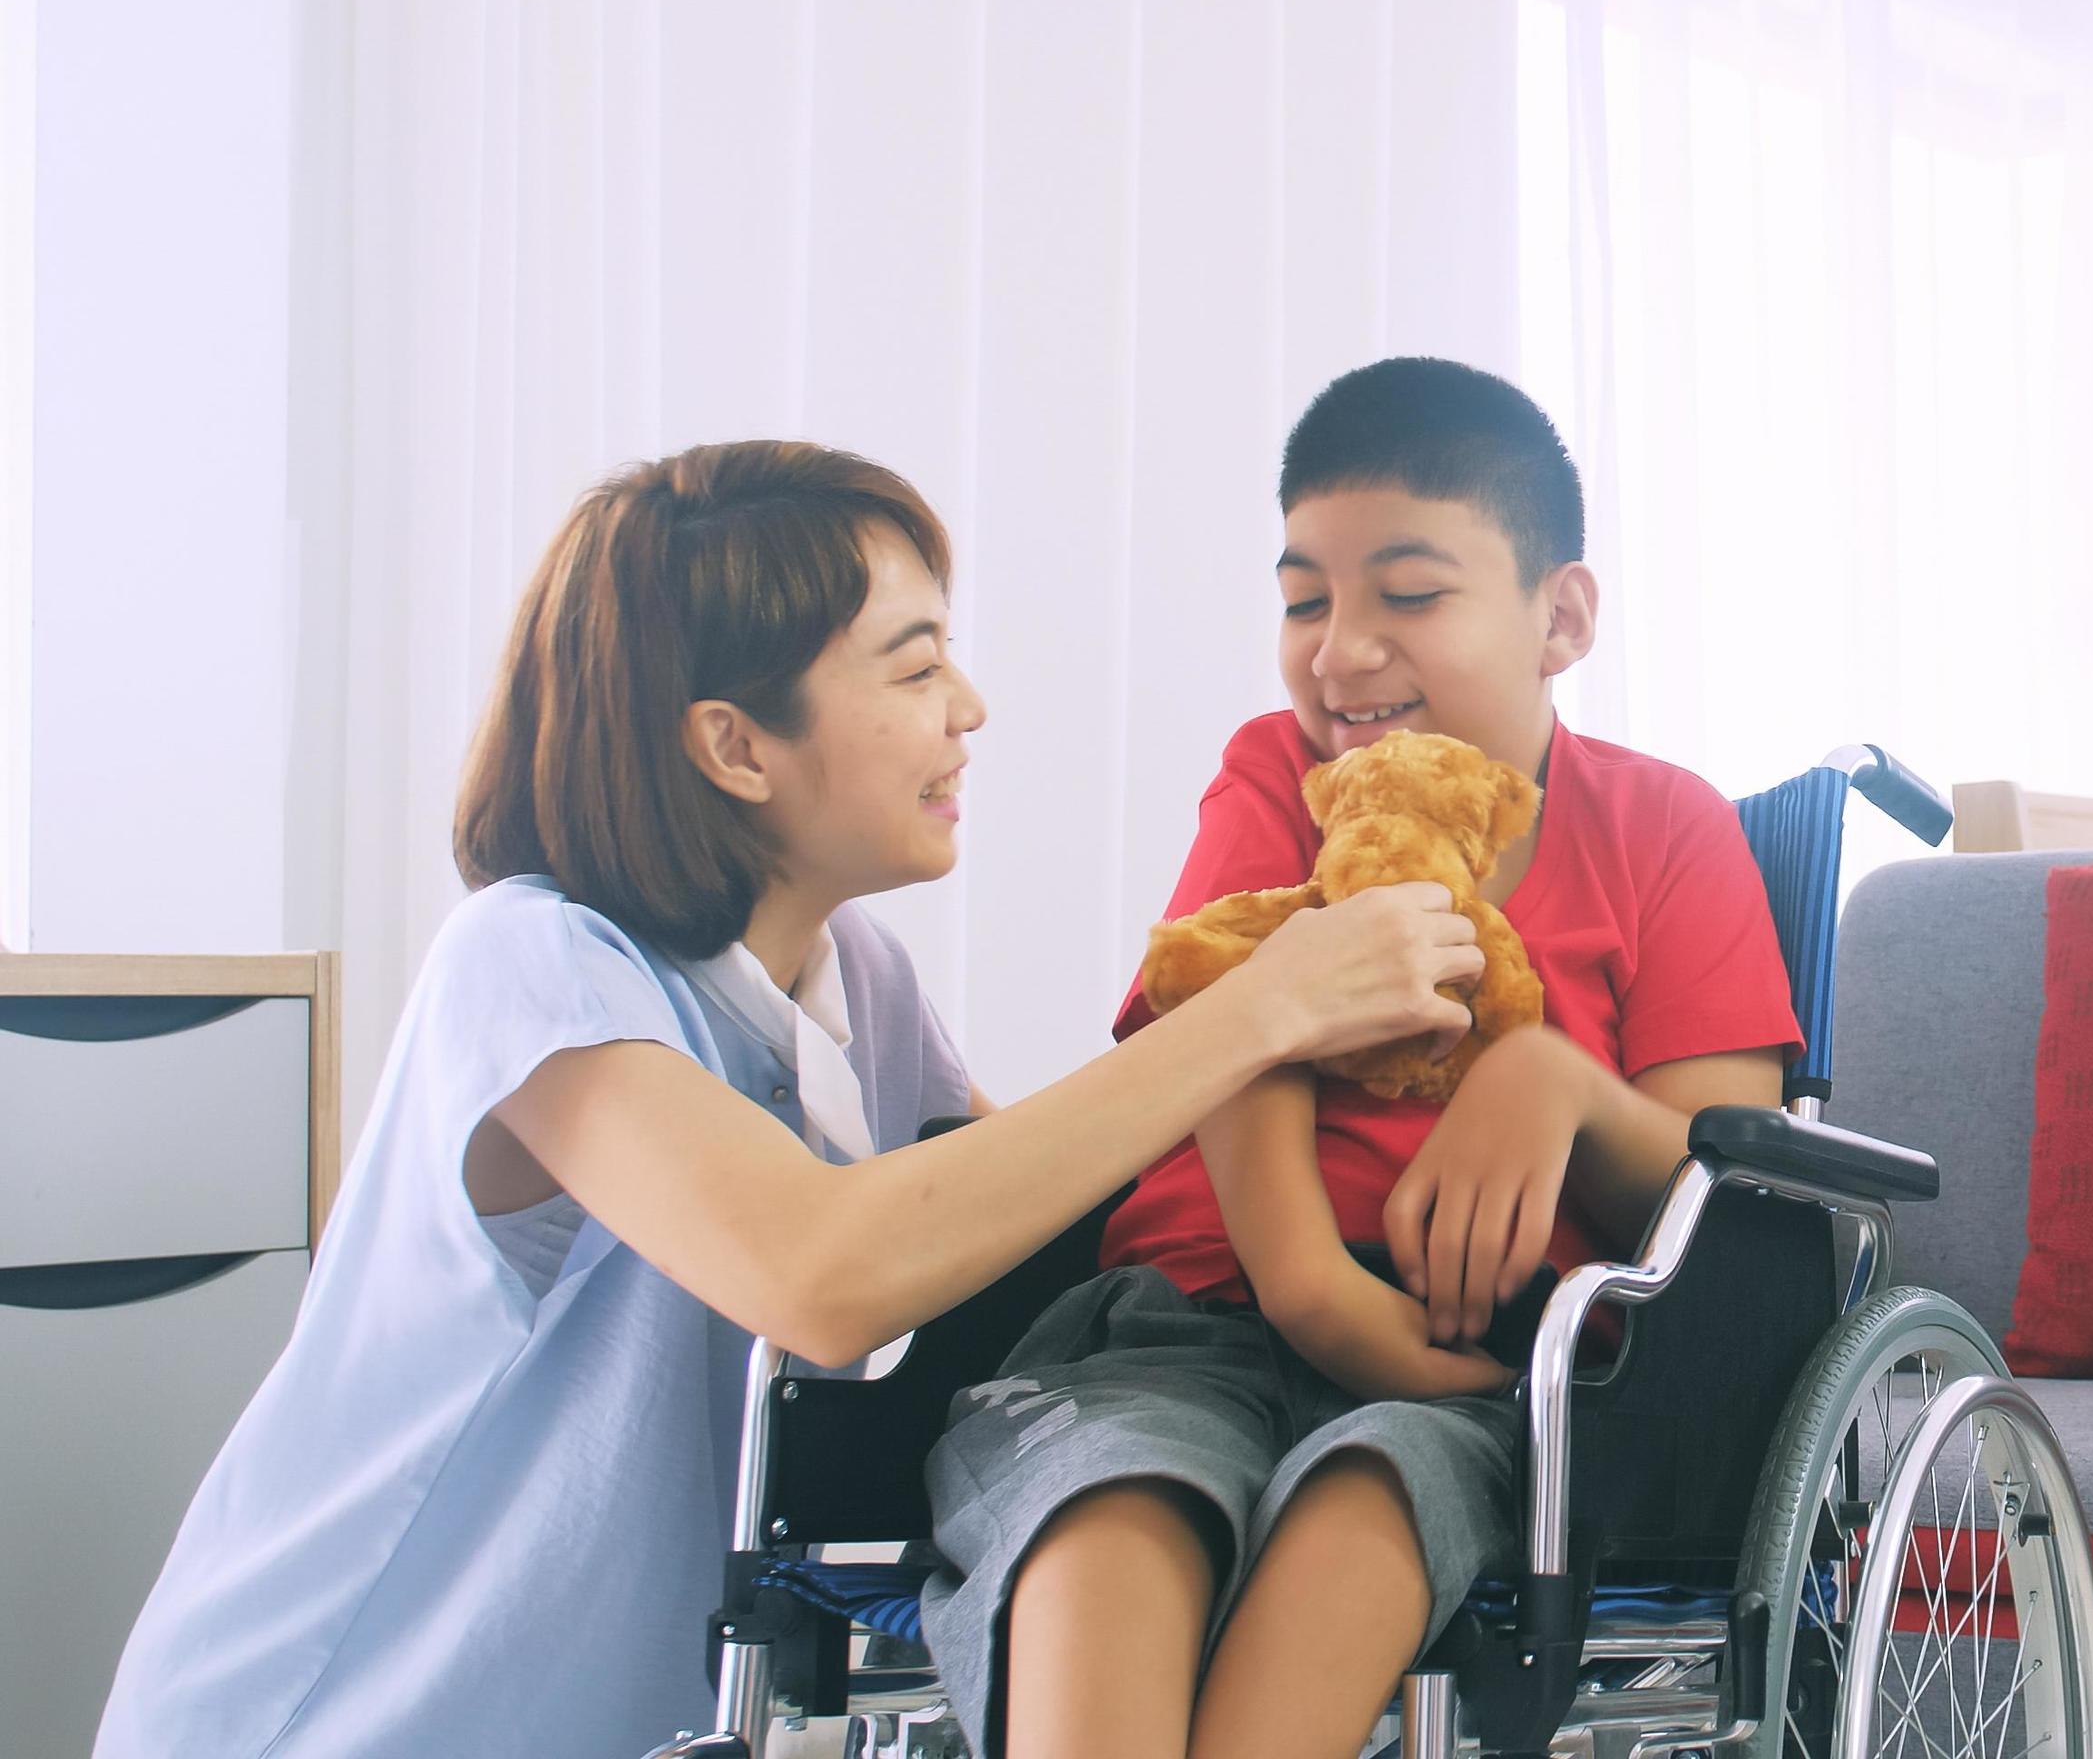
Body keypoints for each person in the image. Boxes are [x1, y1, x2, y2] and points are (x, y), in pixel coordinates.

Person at [94, 442, 1483, 1759]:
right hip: (337, 1718)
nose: (970, 709)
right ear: (734, 747)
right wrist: (1257, 1007)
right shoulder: (534, 965)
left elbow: (1021, 1232)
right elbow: (824, 1272)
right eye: (915, 664)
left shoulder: (849, 976)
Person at [920, 359, 1805, 1759]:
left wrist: (1558, 1086)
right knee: (1110, 1510)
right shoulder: (1278, 775)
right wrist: (1313, 1290)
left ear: (1559, 616)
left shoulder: (1666, 832)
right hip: (1191, 1319)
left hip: (1482, 1370)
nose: (1338, 651)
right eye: (1302, 600)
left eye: (1407, 595)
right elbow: (1227, 1025)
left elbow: (1728, 1204)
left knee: (1369, 1506)